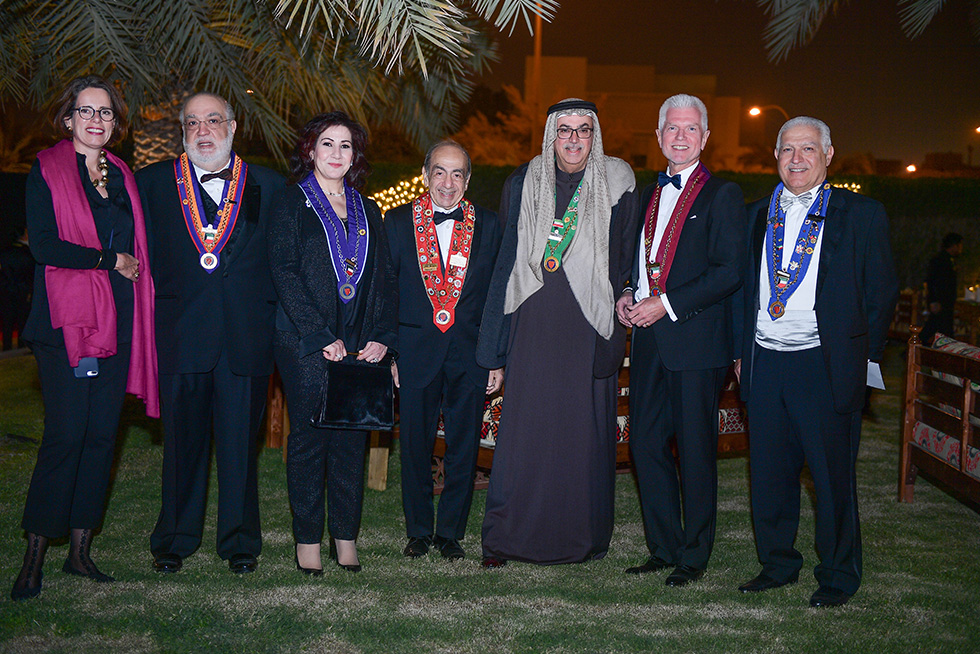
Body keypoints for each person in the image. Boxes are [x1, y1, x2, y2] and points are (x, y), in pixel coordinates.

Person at [734, 116, 898, 607]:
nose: (797, 158)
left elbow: (881, 295)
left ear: (828, 155)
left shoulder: (862, 214)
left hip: (825, 365)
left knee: (831, 478)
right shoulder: (755, 214)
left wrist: (860, 361)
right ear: (776, 156)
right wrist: (740, 354)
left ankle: (838, 575)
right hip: (765, 362)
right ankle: (777, 564)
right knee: (769, 475)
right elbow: (740, 292)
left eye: (808, 148)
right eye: (788, 149)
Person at [11, 75, 158, 601]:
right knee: (66, 435)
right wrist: (108, 260)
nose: (97, 120)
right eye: (87, 111)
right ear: (69, 118)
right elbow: (45, 246)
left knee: (101, 437)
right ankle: (33, 558)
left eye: (106, 112)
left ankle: (79, 553)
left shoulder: (122, 175)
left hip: (119, 321)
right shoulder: (47, 169)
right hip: (66, 323)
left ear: (115, 124)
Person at [476, 98, 638, 566]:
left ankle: (578, 539)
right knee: (526, 430)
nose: (573, 139)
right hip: (532, 324)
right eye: (564, 129)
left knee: (580, 433)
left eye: (583, 130)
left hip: (589, 323)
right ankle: (507, 538)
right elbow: (507, 261)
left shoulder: (618, 180)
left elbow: (627, 255)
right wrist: (494, 347)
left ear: (595, 135)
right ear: (551, 135)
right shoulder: (523, 180)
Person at [137, 93, 284, 575]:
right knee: (181, 447)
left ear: (233, 127)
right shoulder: (150, 184)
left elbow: (283, 265)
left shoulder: (269, 185)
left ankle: (240, 542)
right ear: (182, 130)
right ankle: (174, 540)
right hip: (180, 336)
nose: (203, 131)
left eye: (213, 120)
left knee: (241, 448)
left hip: (246, 337)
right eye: (193, 122)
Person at [617, 94, 746, 587]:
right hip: (649, 341)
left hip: (695, 342)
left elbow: (728, 271)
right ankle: (663, 547)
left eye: (690, 128)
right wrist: (628, 292)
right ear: (658, 135)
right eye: (672, 128)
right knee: (645, 444)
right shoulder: (648, 193)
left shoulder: (722, 195)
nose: (680, 136)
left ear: (705, 137)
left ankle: (694, 555)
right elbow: (639, 260)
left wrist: (665, 304)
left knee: (694, 450)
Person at [270, 111, 397, 574]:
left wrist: (382, 337)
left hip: (359, 342)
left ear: (355, 154)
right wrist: (319, 335)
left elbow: (384, 279)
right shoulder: (290, 202)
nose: (337, 153)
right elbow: (284, 271)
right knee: (310, 439)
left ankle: (345, 537)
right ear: (310, 150)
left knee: (350, 441)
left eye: (346, 145)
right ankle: (307, 540)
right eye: (327, 143)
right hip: (304, 339)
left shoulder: (370, 208)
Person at [385, 140, 502, 560]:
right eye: (439, 172)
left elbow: (497, 296)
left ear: (467, 180)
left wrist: (495, 357)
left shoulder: (490, 224)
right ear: (425, 175)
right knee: (414, 446)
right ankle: (418, 530)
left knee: (464, 446)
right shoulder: (397, 221)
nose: (447, 183)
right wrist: (391, 353)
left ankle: (451, 532)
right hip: (414, 352)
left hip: (470, 354)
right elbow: (386, 292)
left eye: (457, 174)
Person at [921, 232, 963, 345]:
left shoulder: (950, 260)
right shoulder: (940, 260)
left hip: (946, 302)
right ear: (954, 245)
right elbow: (932, 281)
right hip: (940, 301)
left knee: (939, 328)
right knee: (935, 328)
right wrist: (934, 300)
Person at [0, 227, 34, 350]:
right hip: (23, 291)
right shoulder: (27, 252)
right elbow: (31, 274)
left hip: (6, 290)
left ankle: (7, 345)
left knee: (7, 320)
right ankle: (22, 345)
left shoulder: (5, 252)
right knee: (22, 320)